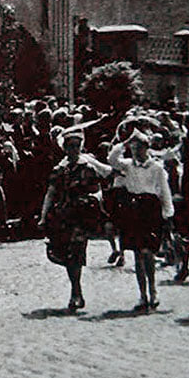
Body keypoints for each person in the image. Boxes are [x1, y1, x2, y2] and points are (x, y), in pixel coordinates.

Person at [38, 127, 112, 312]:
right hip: (63, 215)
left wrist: (94, 200)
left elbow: (97, 190)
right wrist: (43, 216)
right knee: (63, 253)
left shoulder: (87, 168)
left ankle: (75, 293)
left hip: (81, 216)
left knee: (76, 252)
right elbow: (51, 192)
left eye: (77, 146)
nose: (73, 149)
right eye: (70, 146)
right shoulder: (60, 169)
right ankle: (76, 288)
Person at [108, 129, 174, 311]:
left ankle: (153, 290)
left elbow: (164, 191)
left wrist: (168, 213)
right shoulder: (128, 165)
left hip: (150, 209)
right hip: (133, 210)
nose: (137, 151)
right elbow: (111, 159)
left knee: (148, 252)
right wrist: (125, 142)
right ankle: (142, 295)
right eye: (134, 148)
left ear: (147, 148)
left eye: (140, 148)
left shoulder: (157, 167)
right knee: (137, 254)